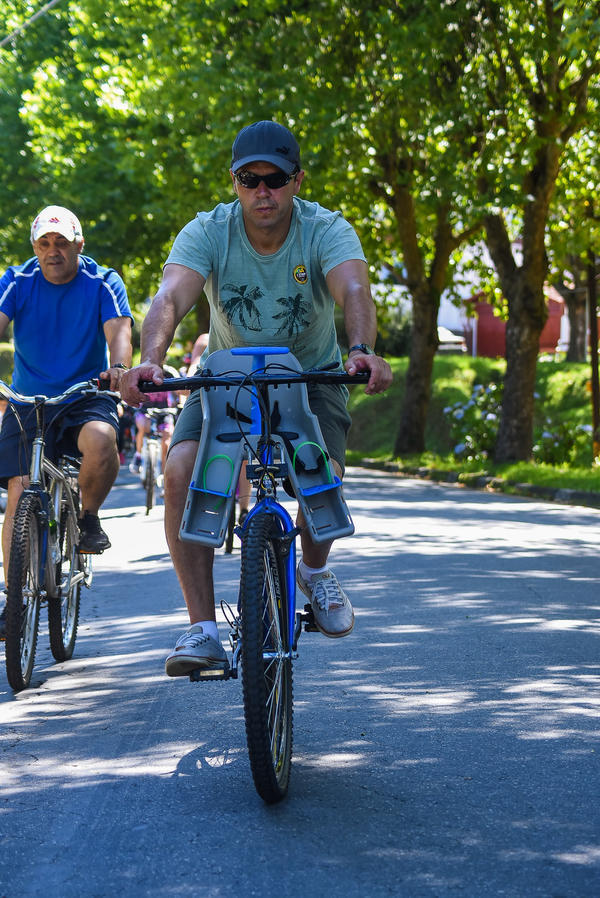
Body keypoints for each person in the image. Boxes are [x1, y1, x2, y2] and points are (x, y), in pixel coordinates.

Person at [121, 120, 392, 676]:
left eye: (274, 179)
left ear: (296, 181)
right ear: (235, 182)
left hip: (310, 377)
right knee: (178, 471)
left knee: (323, 475)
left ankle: (313, 573)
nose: (261, 192)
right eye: (250, 179)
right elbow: (171, 295)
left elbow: (355, 289)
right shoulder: (208, 231)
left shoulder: (325, 229)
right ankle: (200, 629)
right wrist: (150, 358)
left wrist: (361, 348)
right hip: (226, 378)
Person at [0, 204, 133, 638]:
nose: (53, 251)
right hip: (27, 400)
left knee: (100, 440)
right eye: (44, 243)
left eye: (61, 242)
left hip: (84, 394)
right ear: (35, 247)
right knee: (21, 489)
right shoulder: (17, 281)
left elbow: (119, 331)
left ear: (79, 244)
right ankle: (13, 596)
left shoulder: (101, 281)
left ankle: (88, 516)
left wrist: (119, 367)